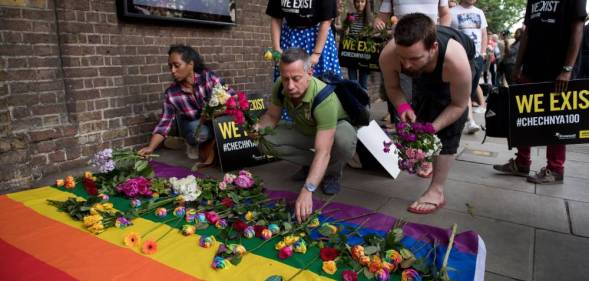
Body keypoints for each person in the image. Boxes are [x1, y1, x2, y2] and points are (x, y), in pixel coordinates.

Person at [380, 13, 474, 214]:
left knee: (448, 127)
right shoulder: (389, 56)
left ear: (433, 49)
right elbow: (393, 87)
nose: (406, 65)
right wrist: (404, 108)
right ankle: (431, 158)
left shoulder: (456, 62)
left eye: (413, 58)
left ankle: (437, 191)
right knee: (421, 110)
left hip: (462, 62)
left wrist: (433, 128)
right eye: (402, 57)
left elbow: (458, 105)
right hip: (427, 70)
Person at [252, 48, 357, 223]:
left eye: (296, 79)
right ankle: (312, 167)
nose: (290, 86)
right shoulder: (280, 85)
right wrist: (258, 128)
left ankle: (332, 172)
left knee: (342, 141)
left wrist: (307, 190)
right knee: (265, 139)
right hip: (305, 130)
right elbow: (271, 117)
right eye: (286, 79)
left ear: (309, 73)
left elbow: (323, 150)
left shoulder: (325, 98)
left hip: (333, 132)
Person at [493, 0, 586, 184]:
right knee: (523, 117)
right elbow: (528, 32)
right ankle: (521, 163)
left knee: (557, 119)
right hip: (532, 68)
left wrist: (567, 69)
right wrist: (518, 65)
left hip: (558, 70)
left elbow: (578, 28)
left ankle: (555, 169)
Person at [138, 44, 233, 161]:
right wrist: (150, 147)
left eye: (177, 66)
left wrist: (216, 112)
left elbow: (232, 97)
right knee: (198, 132)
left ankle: (198, 143)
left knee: (231, 124)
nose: (172, 71)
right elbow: (164, 123)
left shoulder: (208, 77)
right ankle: (191, 142)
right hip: (194, 125)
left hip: (217, 120)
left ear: (191, 64)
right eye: (170, 66)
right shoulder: (171, 94)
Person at [266, 0, 342, 80]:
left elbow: (326, 21)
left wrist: (316, 54)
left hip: (317, 37)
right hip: (290, 36)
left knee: (323, 81)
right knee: (288, 78)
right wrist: (276, 48)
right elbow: (276, 17)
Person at [450, 0, 488, 134]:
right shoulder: (452, 12)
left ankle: (460, 118)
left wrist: (483, 53)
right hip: (461, 56)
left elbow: (484, 34)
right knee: (465, 89)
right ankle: (470, 121)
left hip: (477, 57)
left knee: (470, 90)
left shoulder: (479, 12)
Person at [344, 0, 373, 90]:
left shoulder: (370, 17)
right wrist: (346, 26)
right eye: (357, 2)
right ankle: (354, 102)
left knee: (363, 82)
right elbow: (345, 32)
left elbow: (374, 34)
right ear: (354, 3)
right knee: (352, 81)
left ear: (366, 3)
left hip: (363, 54)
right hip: (351, 52)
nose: (360, 4)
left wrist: (367, 34)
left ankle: (364, 102)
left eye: (362, 1)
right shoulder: (351, 16)